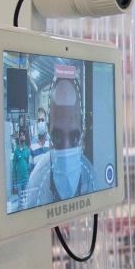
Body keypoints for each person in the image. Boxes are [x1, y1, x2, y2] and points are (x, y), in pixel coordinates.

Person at [25, 77, 96, 208]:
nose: (66, 147)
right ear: (48, 129)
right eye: (57, 137)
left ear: (82, 130)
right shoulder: (37, 181)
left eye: (74, 137)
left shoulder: (90, 175)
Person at [11, 128, 31, 210]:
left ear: (25, 137)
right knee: (20, 200)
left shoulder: (27, 150)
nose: (22, 137)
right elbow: (13, 167)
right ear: (19, 138)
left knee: (26, 200)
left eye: (23, 135)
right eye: (21, 135)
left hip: (26, 179)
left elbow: (29, 164)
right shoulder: (16, 151)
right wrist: (14, 182)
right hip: (19, 180)